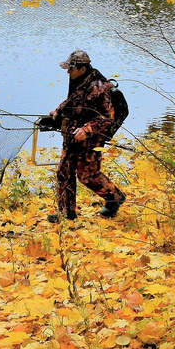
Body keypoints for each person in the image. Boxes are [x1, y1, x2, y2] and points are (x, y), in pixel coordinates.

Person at [46, 50, 125, 222]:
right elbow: (72, 102)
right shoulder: (77, 81)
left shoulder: (99, 87)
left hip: (90, 140)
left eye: (71, 68)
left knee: (87, 176)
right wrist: (57, 113)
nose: (68, 71)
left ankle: (115, 197)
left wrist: (86, 130)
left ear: (82, 68)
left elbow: (106, 118)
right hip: (71, 137)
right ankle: (67, 213)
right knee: (64, 173)